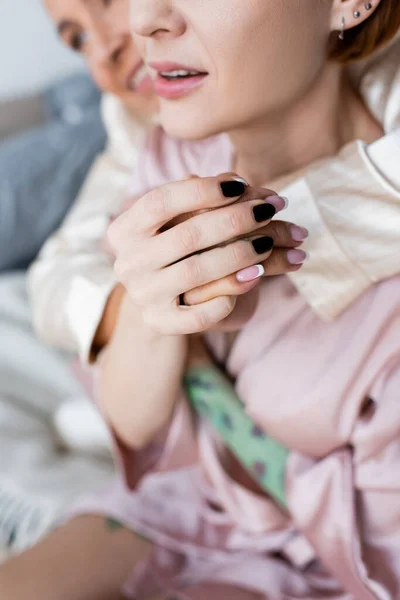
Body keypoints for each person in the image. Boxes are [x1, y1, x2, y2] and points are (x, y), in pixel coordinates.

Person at [2, 1, 399, 600]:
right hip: (206, 503)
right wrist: (156, 312)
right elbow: (134, 418)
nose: (142, 23)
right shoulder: (174, 160)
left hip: (359, 553)